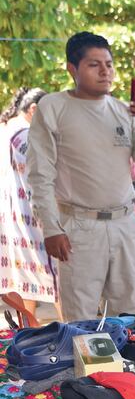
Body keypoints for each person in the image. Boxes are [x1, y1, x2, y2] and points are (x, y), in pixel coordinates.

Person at [26, 31, 135, 321]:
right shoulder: (54, 107)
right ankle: (87, 369)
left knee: (130, 313)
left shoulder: (124, 111)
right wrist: (51, 228)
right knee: (81, 318)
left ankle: (126, 367)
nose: (105, 72)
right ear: (72, 69)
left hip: (125, 224)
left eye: (109, 64)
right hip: (79, 228)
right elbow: (40, 174)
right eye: (94, 64)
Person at [0, 87, 58, 319]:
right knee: (59, 281)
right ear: (34, 109)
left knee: (22, 280)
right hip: (29, 217)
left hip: (10, 217)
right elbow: (43, 167)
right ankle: (76, 336)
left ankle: (28, 335)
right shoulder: (23, 134)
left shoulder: (5, 128)